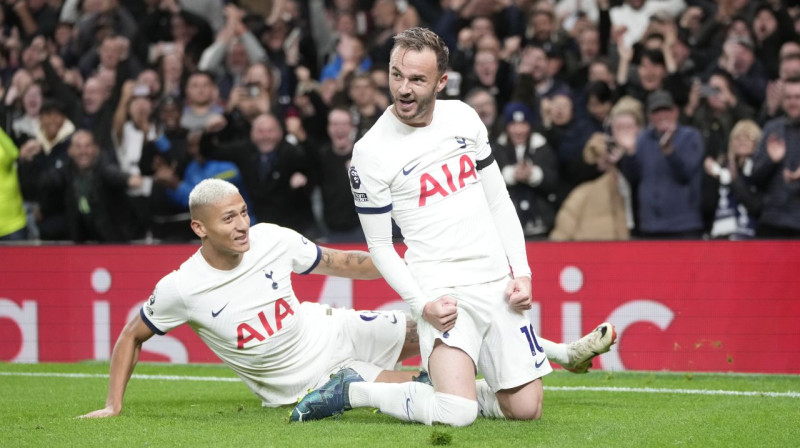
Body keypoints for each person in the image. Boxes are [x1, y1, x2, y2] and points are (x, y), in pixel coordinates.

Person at [80, 178, 615, 419]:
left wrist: (410, 265)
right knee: (441, 388)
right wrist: (113, 404)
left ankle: (561, 353)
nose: (243, 224)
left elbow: (345, 263)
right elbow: (131, 337)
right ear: (199, 228)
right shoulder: (182, 288)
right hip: (303, 380)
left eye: (244, 211)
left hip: (332, 327)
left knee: (440, 316)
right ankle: (549, 366)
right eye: (230, 218)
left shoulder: (273, 239)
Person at [292, 28, 615, 427]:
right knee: (457, 414)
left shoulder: (464, 117)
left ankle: (442, 386)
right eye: (396, 75)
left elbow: (499, 201)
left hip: (495, 280)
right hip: (442, 291)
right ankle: (354, 389)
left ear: (441, 81)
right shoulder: (370, 152)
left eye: (417, 79)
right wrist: (421, 304)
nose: (403, 89)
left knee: (526, 409)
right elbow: (380, 246)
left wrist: (522, 274)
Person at [619, 90, 704, 239]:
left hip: (684, 225)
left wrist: (669, 151)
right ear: (650, 116)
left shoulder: (691, 136)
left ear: (675, 111)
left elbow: (685, 175)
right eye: (657, 111)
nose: (662, 115)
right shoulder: (642, 139)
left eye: (666, 110)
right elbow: (633, 177)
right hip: (650, 225)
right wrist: (630, 152)